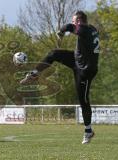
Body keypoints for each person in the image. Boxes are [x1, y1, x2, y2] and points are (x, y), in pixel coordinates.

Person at [20, 10, 99, 144]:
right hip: (77, 59)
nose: (74, 23)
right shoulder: (92, 28)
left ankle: (88, 131)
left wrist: (61, 32)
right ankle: (34, 74)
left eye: (75, 21)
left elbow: (69, 26)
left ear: (79, 21)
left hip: (85, 70)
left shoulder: (84, 29)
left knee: (83, 100)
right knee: (54, 54)